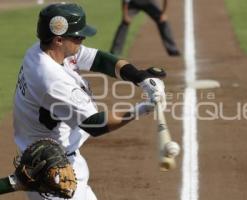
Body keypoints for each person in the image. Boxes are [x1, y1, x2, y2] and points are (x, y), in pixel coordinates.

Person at [12, 2, 166, 200]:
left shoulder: (42, 51)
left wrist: (140, 78)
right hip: (52, 172)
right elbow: (95, 124)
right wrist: (141, 109)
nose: (82, 39)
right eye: (77, 36)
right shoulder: (51, 79)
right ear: (59, 39)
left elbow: (99, 59)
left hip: (57, 160)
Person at [110, 0, 180, 56]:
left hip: (149, 2)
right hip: (133, 3)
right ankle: (115, 51)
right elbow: (125, 1)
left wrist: (163, 13)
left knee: (163, 21)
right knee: (125, 22)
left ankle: (172, 49)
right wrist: (125, 15)